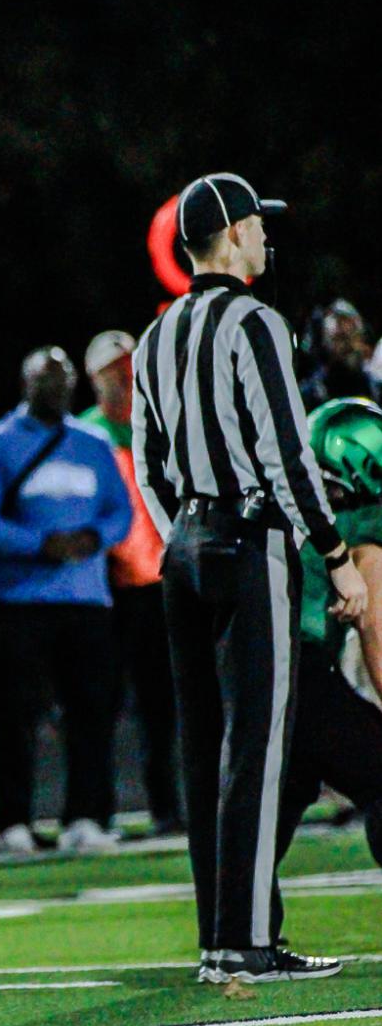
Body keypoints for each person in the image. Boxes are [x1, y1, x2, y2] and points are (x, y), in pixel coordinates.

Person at [131, 171, 367, 984]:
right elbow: (287, 453)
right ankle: (249, 941)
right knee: (258, 745)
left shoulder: (155, 336)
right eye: (259, 224)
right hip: (250, 535)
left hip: (186, 547)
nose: (269, 236)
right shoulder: (256, 322)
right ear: (230, 233)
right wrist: (334, 554)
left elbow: (149, 462)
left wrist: (182, 535)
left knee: (205, 752)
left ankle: (217, 941)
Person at [0, 346, 132, 854]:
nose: (55, 390)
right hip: (21, 601)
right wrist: (40, 545)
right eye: (45, 381)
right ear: (25, 384)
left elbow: (120, 511)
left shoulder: (94, 443)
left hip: (86, 601)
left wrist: (93, 539)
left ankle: (87, 817)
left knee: (92, 713)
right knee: (16, 716)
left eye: (62, 381)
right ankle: (14, 820)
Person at [80, 330, 182, 835]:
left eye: (131, 368)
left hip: (159, 588)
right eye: (115, 371)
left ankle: (168, 806)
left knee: (163, 705)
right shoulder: (84, 438)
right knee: (98, 704)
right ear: (95, 378)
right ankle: (97, 812)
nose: (127, 379)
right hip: (104, 592)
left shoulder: (161, 431)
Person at [276, 398, 382, 872]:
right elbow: (377, 634)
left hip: (252, 664)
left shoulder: (276, 502)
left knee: (285, 790)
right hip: (302, 667)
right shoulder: (358, 524)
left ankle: (242, 931)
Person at [299, 301, 381, 410]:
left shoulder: (377, 391)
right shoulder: (308, 396)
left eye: (354, 336)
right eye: (340, 339)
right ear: (324, 344)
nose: (349, 346)